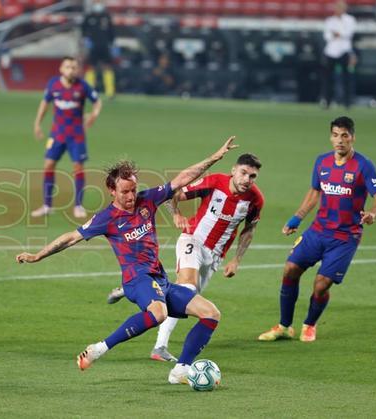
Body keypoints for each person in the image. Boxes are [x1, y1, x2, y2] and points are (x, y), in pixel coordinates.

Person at [16, 137, 239, 384]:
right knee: (159, 313)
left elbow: (182, 179)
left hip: (159, 279)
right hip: (136, 280)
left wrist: (215, 157)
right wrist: (37, 255)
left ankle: (180, 370)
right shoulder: (106, 218)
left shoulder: (147, 200)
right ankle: (98, 348)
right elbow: (71, 238)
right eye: (125, 191)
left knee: (211, 313)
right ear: (112, 191)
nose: (131, 195)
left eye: (133, 189)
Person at [107, 154, 264, 362]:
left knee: (186, 297)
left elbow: (249, 229)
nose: (247, 179)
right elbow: (175, 193)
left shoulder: (255, 199)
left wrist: (236, 259)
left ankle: (135, 288)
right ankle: (159, 347)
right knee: (187, 289)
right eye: (244, 173)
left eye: (252, 176)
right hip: (193, 240)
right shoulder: (215, 181)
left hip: (215, 255)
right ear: (234, 170)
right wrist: (176, 214)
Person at [258, 116, 376, 343]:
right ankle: (284, 326)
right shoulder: (322, 162)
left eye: (344, 136)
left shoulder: (363, 165)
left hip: (345, 237)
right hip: (318, 231)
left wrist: (373, 213)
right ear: (331, 137)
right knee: (290, 270)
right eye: (336, 135)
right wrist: (296, 218)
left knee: (321, 284)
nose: (340, 141)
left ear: (352, 138)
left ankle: (309, 324)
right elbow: (315, 193)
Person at [31, 56, 102, 219]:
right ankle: (47, 205)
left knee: (77, 167)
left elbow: (97, 102)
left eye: (74, 67)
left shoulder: (82, 86)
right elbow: (44, 104)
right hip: (57, 133)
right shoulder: (53, 84)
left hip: (76, 134)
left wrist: (93, 115)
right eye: (68, 67)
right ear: (61, 69)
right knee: (48, 165)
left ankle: (78, 205)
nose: (72, 70)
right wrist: (37, 124)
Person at [321, 1, 357, 109]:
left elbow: (349, 33)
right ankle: (327, 101)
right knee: (328, 78)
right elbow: (326, 36)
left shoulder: (350, 20)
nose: (339, 9)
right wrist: (338, 34)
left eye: (341, 7)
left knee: (347, 78)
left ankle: (347, 103)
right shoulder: (329, 21)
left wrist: (337, 33)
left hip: (345, 51)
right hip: (331, 52)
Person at [81, 1, 116, 99]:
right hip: (93, 46)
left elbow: (112, 32)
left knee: (107, 67)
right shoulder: (89, 17)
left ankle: (110, 93)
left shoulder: (107, 16)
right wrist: (85, 41)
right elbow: (83, 30)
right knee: (91, 67)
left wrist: (112, 44)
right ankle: (89, 91)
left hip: (105, 46)